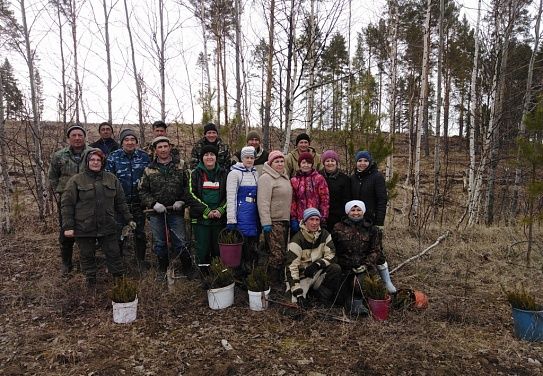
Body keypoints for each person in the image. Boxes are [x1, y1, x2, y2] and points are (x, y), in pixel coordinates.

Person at [61, 148, 135, 288]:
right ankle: (91, 283)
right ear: (87, 162)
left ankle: (119, 282)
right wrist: (68, 226)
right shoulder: (76, 180)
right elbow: (67, 204)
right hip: (84, 226)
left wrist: (129, 218)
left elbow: (120, 202)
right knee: (87, 255)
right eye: (92, 160)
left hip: (107, 225)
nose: (95, 162)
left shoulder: (111, 178)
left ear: (103, 162)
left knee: (114, 253)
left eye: (98, 160)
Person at [138, 136, 190, 280]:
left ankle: (187, 268)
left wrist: (181, 201)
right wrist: (154, 204)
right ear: (155, 150)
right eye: (159, 147)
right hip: (156, 213)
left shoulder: (181, 165)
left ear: (170, 148)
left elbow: (188, 186)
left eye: (165, 146)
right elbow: (142, 191)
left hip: (176, 211)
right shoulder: (149, 170)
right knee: (160, 243)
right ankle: (162, 269)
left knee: (180, 242)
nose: (163, 150)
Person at [332, 200, 397, 313]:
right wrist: (341, 263)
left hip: (364, 269)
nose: (356, 213)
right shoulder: (338, 228)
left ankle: (361, 302)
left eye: (358, 210)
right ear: (347, 212)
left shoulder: (372, 229)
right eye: (352, 210)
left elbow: (376, 251)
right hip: (344, 269)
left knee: (365, 287)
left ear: (363, 211)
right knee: (339, 298)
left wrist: (365, 265)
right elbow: (332, 249)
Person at [48, 124, 92, 275]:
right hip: (67, 201)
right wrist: (61, 192)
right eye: (74, 135)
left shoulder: (92, 153)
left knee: (88, 231)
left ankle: (87, 262)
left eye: (80, 135)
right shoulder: (59, 155)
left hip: (88, 200)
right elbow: (53, 177)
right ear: (68, 138)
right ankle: (66, 263)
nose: (77, 138)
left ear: (84, 137)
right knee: (66, 231)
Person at [106, 129, 150, 267]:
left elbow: (150, 178)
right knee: (118, 234)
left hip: (139, 203)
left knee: (140, 233)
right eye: (126, 139)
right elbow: (108, 180)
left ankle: (140, 261)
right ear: (122, 142)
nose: (129, 142)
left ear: (136, 142)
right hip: (119, 204)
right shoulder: (113, 157)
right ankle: (118, 263)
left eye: (132, 139)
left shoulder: (144, 157)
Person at [285, 208, 342, 308]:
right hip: (301, 276)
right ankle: (301, 294)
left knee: (335, 268)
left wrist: (317, 264)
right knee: (294, 307)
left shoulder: (325, 234)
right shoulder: (296, 240)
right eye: (311, 219)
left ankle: (321, 297)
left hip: (316, 272)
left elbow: (331, 254)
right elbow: (291, 268)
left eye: (317, 220)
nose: (314, 223)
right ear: (305, 221)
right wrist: (298, 294)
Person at [186, 145, 228, 266]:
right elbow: (190, 195)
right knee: (202, 250)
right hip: (201, 220)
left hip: (219, 219)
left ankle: (218, 275)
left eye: (212, 154)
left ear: (216, 157)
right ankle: (204, 277)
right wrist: (206, 210)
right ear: (202, 158)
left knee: (218, 250)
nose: (209, 157)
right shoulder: (195, 174)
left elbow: (229, 195)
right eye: (206, 155)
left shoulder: (224, 173)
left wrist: (221, 210)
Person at [257, 150, 292, 287]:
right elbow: (263, 202)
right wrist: (266, 222)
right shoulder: (266, 178)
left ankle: (278, 281)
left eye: (282, 161)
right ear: (271, 163)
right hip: (273, 221)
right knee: (276, 255)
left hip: (285, 220)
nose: (280, 164)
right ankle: (271, 283)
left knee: (282, 254)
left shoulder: (284, 177)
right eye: (276, 161)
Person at [226, 146, 260, 273]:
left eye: (252, 158)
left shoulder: (255, 173)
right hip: (241, 215)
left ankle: (252, 271)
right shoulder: (234, 173)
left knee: (252, 245)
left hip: (253, 214)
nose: (250, 160)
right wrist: (231, 219)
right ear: (242, 158)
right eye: (247, 157)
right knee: (242, 244)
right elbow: (231, 197)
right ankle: (240, 273)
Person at [290, 152, 329, 234]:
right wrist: (293, 218)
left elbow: (325, 199)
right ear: (299, 164)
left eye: (308, 163)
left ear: (312, 164)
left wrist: (323, 217)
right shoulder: (294, 180)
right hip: (300, 219)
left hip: (315, 219)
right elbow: (292, 201)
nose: (306, 165)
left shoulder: (319, 178)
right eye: (303, 163)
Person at [350, 150, 388, 229]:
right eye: (360, 161)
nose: (362, 163)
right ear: (356, 162)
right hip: (354, 218)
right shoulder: (353, 178)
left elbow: (382, 200)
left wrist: (379, 222)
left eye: (366, 161)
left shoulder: (377, 177)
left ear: (370, 162)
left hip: (371, 220)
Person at [320, 149, 351, 233]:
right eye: (327, 161)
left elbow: (346, 199)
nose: (330, 163)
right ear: (324, 163)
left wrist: (344, 217)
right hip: (320, 216)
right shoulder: (318, 176)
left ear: (336, 162)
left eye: (332, 161)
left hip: (338, 218)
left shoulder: (344, 179)